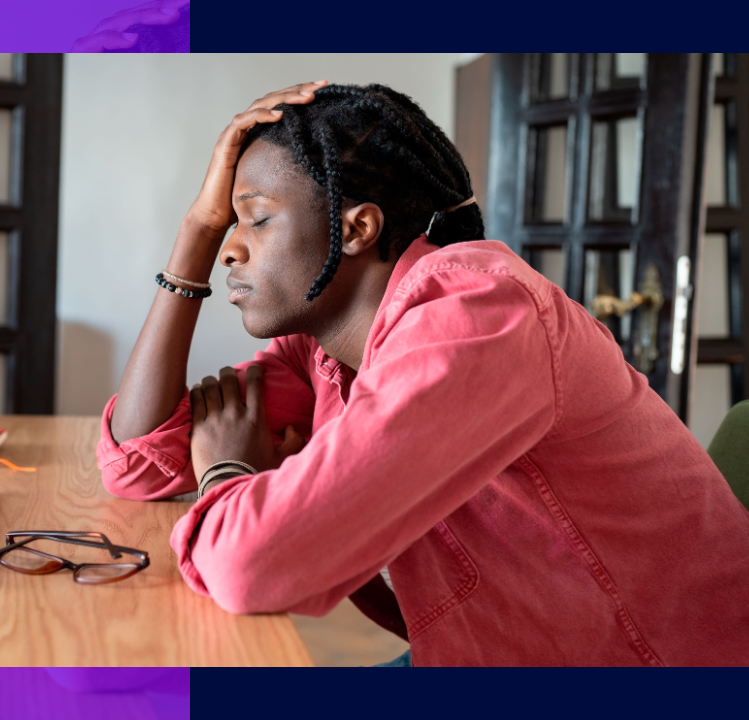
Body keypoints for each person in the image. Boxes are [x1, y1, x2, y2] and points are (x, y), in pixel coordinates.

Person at [97, 81, 749, 666]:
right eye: (228, 226)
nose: (231, 249)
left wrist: (226, 473)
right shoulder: (326, 352)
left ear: (357, 228)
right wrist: (196, 229)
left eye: (256, 219)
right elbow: (136, 463)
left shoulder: (479, 316)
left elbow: (249, 564)